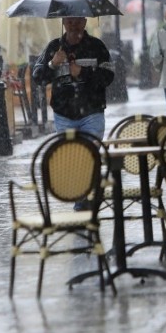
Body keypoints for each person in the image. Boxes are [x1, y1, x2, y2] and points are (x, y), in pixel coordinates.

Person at [32, 17, 114, 210]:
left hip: (92, 113)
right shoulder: (54, 47)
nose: (73, 26)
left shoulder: (97, 46)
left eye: (77, 22)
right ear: (63, 22)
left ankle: (82, 204)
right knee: (72, 159)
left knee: (88, 157)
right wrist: (52, 64)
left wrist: (83, 73)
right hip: (64, 115)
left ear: (84, 23)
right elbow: (38, 77)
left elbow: (109, 76)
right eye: (69, 21)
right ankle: (85, 200)